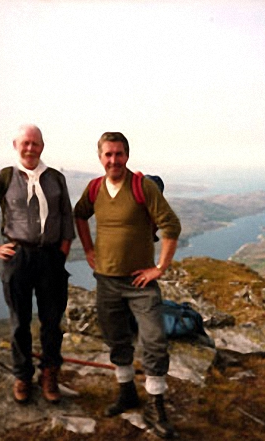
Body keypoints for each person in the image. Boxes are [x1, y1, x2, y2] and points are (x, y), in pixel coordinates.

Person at [74, 132, 181, 438]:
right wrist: (89, 251)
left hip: (139, 282)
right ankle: (127, 394)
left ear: (127, 156)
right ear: (100, 157)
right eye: (108, 154)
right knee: (116, 339)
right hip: (106, 280)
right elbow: (79, 215)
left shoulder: (141, 185)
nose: (113, 160)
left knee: (154, 339)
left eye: (119, 154)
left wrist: (159, 267)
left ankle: (157, 406)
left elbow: (171, 225)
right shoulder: (94, 188)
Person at [0, 124, 75, 404]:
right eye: (25, 143)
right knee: (19, 323)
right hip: (18, 257)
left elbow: (66, 215)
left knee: (52, 321)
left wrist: (63, 249)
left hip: (51, 257)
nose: (30, 148)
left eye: (36, 143)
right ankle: (22, 375)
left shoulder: (55, 178)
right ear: (16, 145)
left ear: (42, 146)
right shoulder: (4, 177)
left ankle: (50, 373)